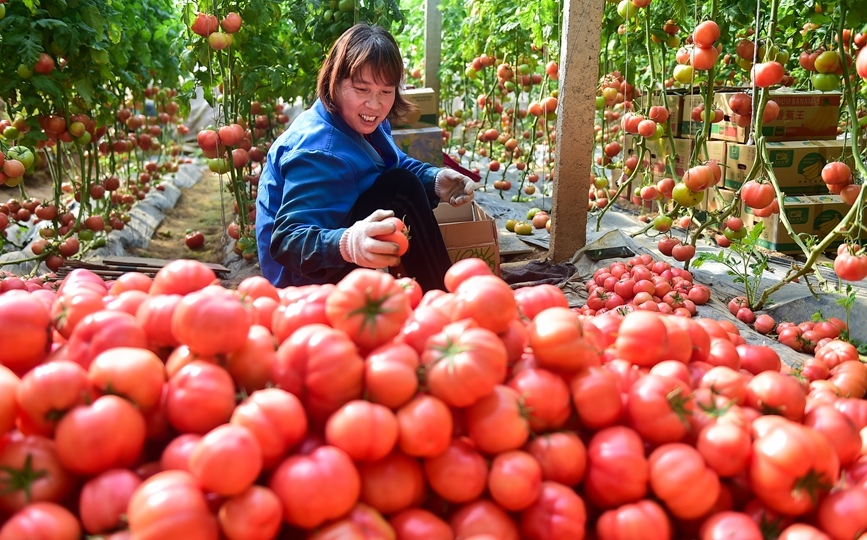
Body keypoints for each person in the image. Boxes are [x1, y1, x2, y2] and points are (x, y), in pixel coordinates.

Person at [256, 23, 475, 291]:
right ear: (333, 82)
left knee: (401, 182)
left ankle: (438, 291)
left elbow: (390, 164)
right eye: (362, 89)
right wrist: (348, 243)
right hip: (304, 278)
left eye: (386, 91)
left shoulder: (360, 121)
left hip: (338, 235)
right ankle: (442, 294)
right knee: (401, 187)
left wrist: (435, 179)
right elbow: (287, 241)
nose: (375, 104)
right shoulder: (317, 153)